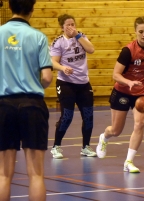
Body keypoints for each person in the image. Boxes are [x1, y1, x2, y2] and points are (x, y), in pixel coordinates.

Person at [96, 16, 144, 173]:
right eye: (141, 32)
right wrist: (128, 82)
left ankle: (128, 161)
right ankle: (104, 137)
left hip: (142, 92)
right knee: (116, 130)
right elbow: (115, 74)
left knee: (140, 124)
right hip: (123, 91)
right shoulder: (128, 51)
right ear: (136, 32)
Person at [0, 0, 53, 200]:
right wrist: (33, 84)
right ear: (32, 9)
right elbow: (47, 77)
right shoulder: (38, 37)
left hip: (3, 105)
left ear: (11, 7)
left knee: (4, 175)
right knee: (36, 174)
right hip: (32, 105)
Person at [49, 14, 96, 159]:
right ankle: (56, 146)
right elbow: (53, 62)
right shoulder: (59, 42)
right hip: (66, 83)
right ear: (62, 27)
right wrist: (63, 68)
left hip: (83, 83)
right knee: (67, 116)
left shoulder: (81, 37)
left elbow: (91, 49)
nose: (71, 27)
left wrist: (77, 36)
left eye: (73, 24)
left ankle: (86, 147)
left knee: (88, 116)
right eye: (68, 25)